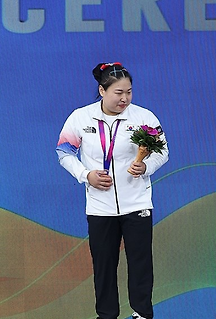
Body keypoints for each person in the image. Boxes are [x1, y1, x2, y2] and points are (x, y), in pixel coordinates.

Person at [56, 62, 169, 319]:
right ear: (102, 90)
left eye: (129, 92)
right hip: (99, 206)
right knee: (104, 265)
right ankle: (106, 315)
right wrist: (86, 176)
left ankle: (141, 313)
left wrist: (146, 166)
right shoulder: (80, 117)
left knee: (141, 264)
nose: (125, 98)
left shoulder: (143, 117)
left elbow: (163, 151)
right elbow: (63, 152)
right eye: (118, 93)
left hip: (137, 203)